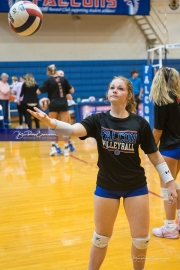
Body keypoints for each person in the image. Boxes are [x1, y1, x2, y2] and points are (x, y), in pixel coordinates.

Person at [28, 76, 177, 270]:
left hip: (136, 187)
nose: (115, 90)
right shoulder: (98, 119)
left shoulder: (139, 124)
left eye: (120, 88)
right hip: (107, 187)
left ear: (128, 95)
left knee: (141, 240)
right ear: (108, 93)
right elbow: (73, 130)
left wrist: (170, 182)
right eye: (112, 87)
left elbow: (155, 156)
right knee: (100, 238)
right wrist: (51, 122)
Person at [149, 67, 180, 239]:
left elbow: (158, 130)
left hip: (169, 149)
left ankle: (169, 227)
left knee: (168, 188)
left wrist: (150, 150)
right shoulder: (178, 98)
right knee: (174, 185)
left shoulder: (162, 100)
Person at [37, 64, 75, 156]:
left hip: (53, 105)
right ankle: (66, 149)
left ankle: (53, 148)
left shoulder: (48, 80)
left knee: (52, 127)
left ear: (49, 72)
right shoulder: (63, 79)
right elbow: (72, 91)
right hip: (63, 105)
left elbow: (38, 91)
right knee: (65, 127)